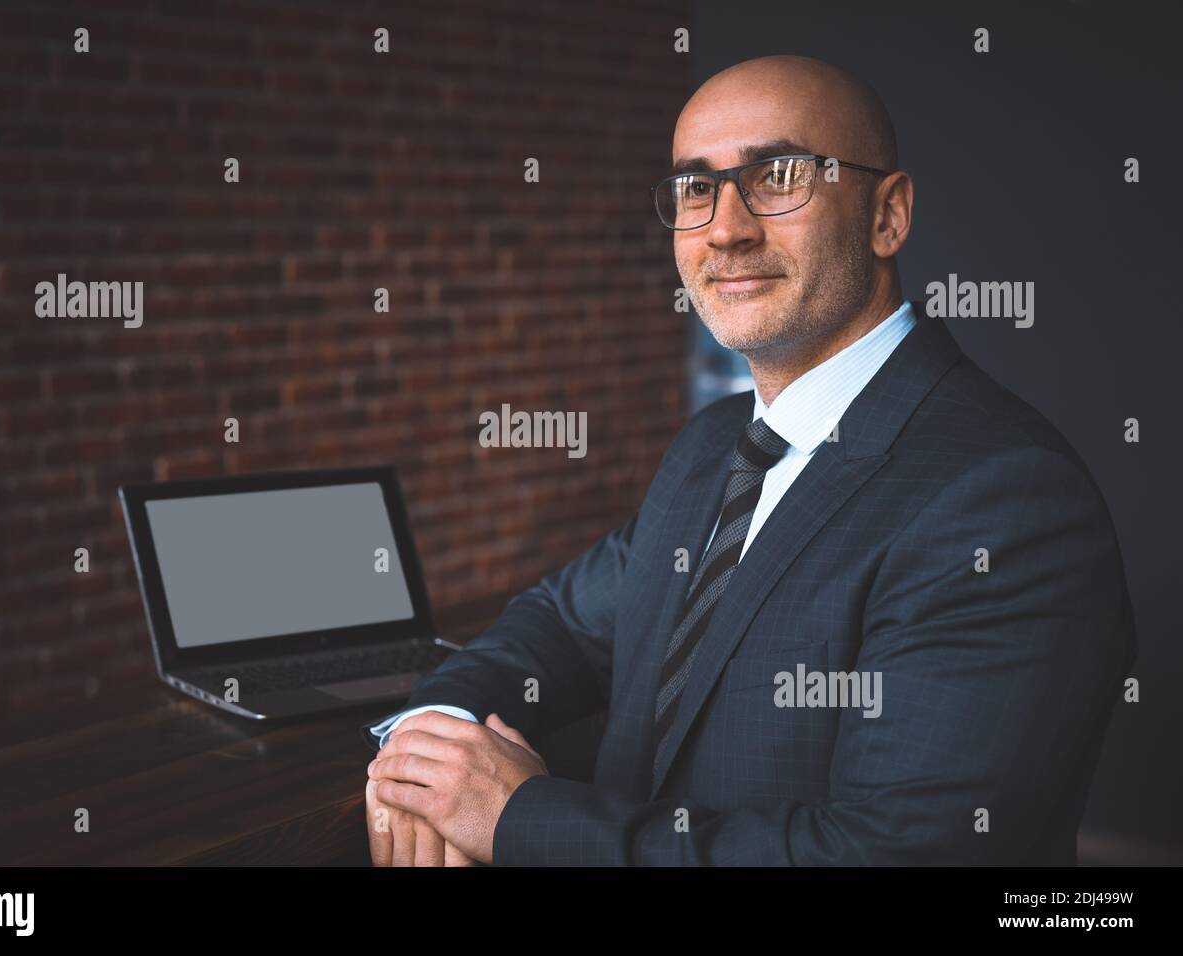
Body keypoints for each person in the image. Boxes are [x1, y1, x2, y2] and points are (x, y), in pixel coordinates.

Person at [362, 54, 1136, 866]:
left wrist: (518, 818)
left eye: (780, 175)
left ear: (889, 216)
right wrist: (430, 742)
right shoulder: (715, 444)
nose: (726, 227)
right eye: (696, 188)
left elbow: (892, 855)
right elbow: (560, 622)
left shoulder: (1003, 498)